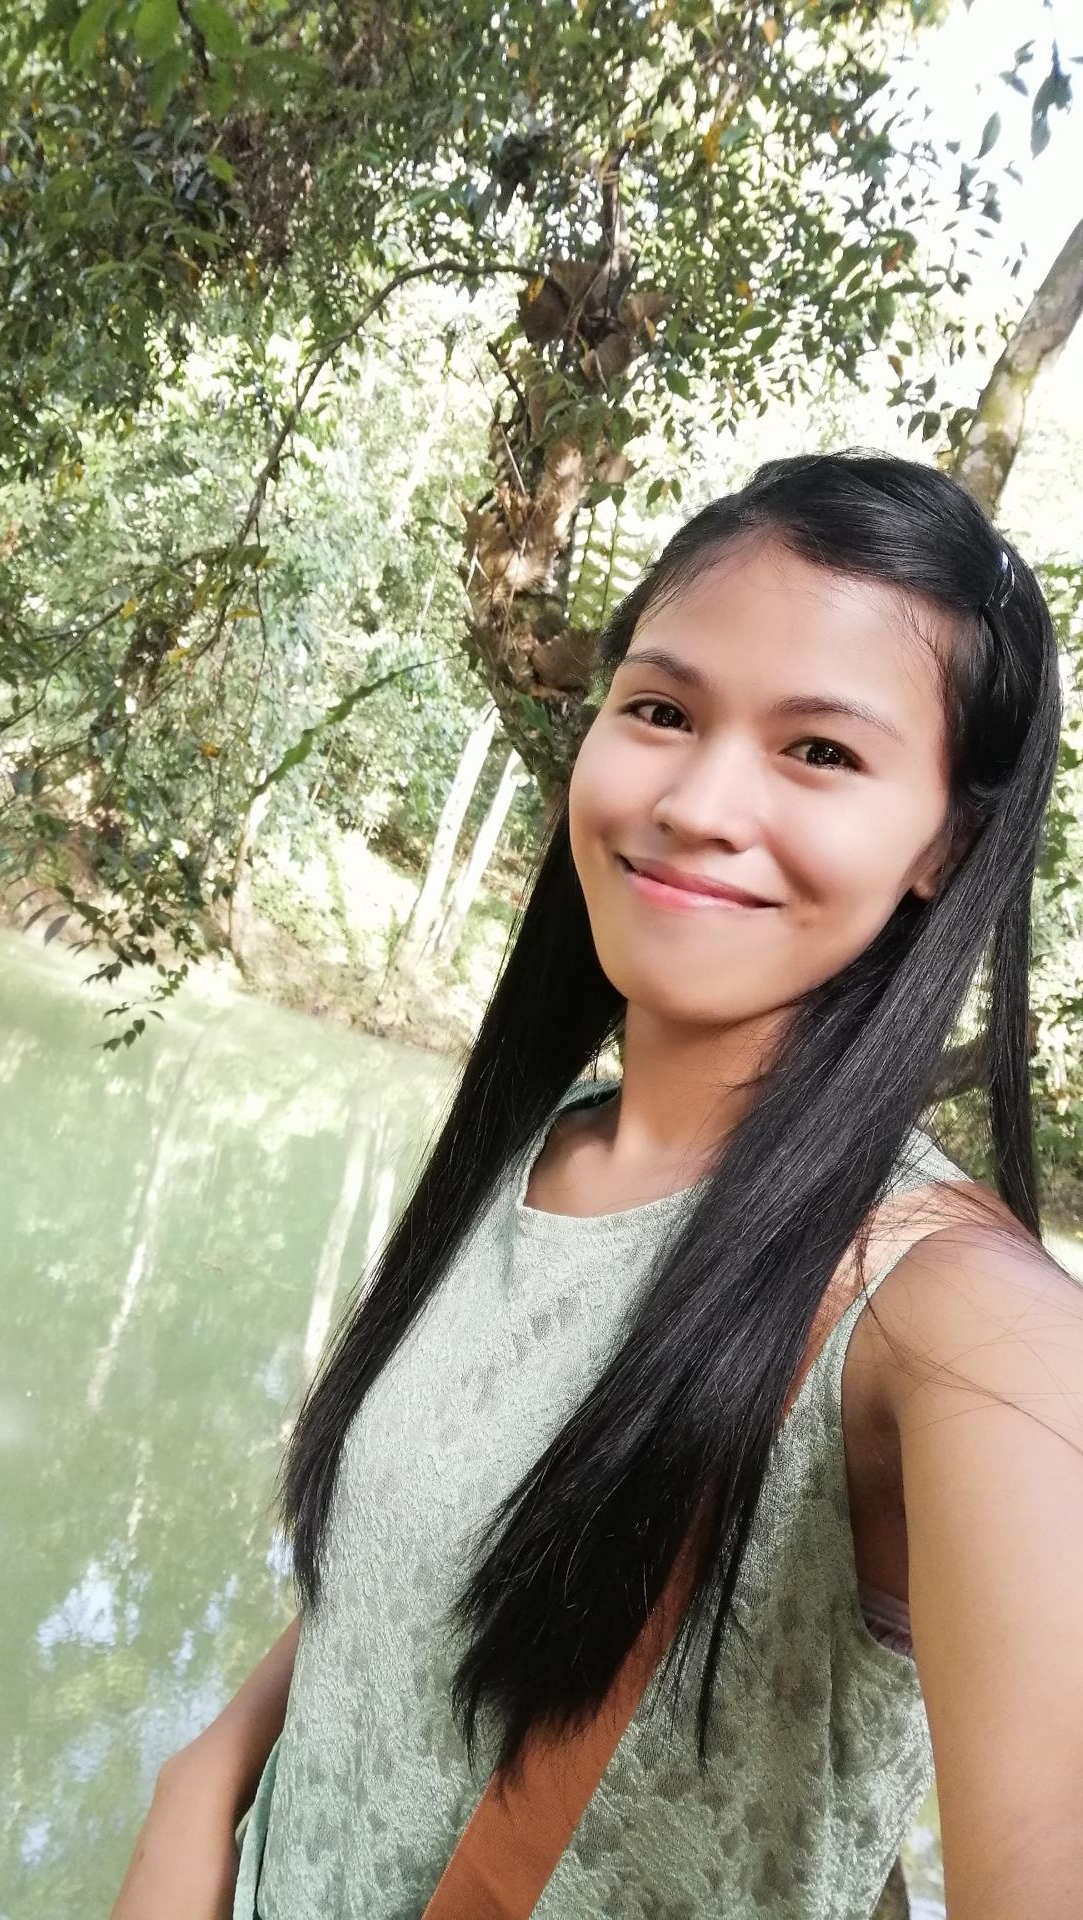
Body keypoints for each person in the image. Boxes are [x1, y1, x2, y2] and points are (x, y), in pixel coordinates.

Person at [110, 452, 1083, 1919]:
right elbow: (422, 1579)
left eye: (822, 752)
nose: (698, 801)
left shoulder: (957, 1324)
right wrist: (206, 1778)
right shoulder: (546, 1143)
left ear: (944, 840)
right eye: (663, 711)